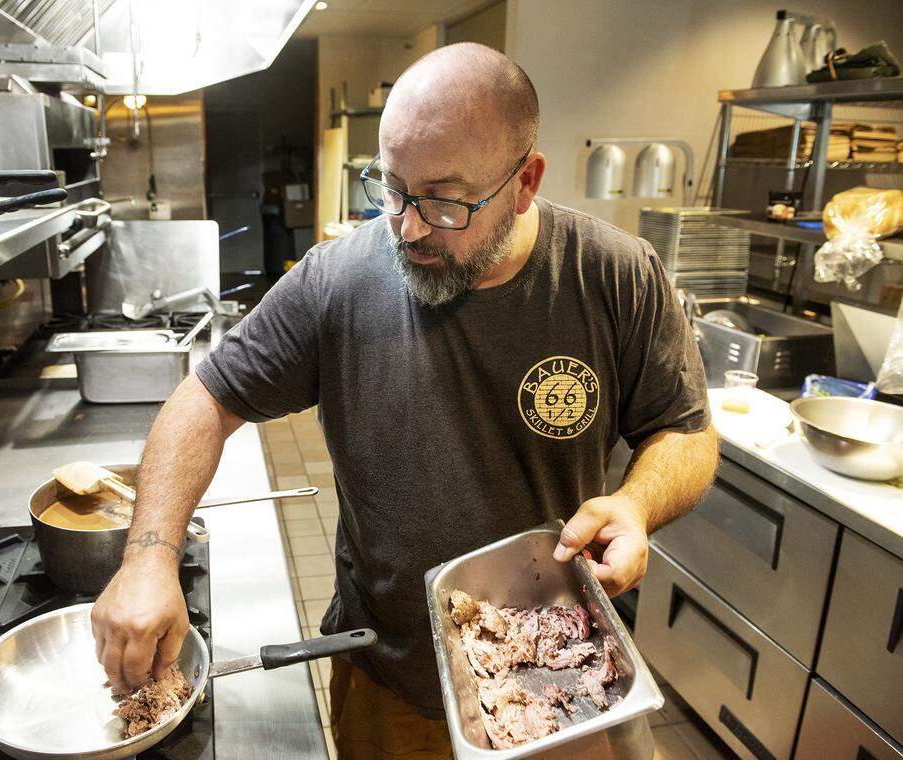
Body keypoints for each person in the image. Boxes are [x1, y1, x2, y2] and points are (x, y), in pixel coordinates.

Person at [91, 42, 719, 759]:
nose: (410, 226)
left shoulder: (612, 276)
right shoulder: (338, 280)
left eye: (446, 201)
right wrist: (148, 557)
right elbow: (205, 399)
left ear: (525, 181)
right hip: (389, 679)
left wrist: (637, 504)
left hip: (559, 683)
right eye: (391, 189)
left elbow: (684, 431)